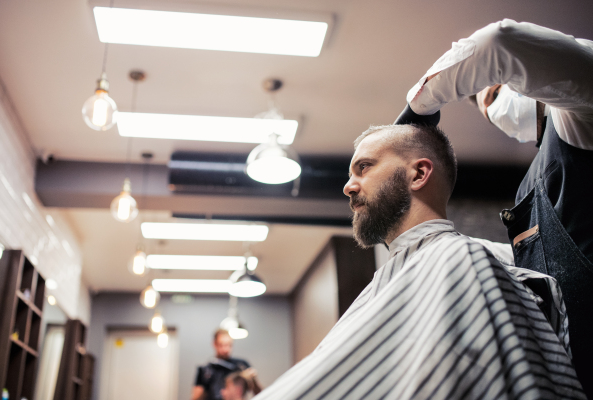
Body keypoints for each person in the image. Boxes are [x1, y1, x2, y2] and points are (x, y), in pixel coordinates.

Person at [252, 122, 584, 399]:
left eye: (364, 167)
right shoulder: (401, 275)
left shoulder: (461, 260)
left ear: (419, 174)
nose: (348, 186)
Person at [403, 19, 593, 395]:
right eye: (486, 108)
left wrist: (417, 109)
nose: (493, 110)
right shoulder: (541, 172)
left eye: (495, 94)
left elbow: (498, 43)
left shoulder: (581, 116)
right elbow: (557, 261)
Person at [192, 329, 262, 400]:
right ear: (214, 344)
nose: (225, 349)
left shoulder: (241, 365)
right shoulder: (205, 371)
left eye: (228, 345)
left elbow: (260, 394)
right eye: (221, 345)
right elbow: (195, 398)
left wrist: (254, 380)